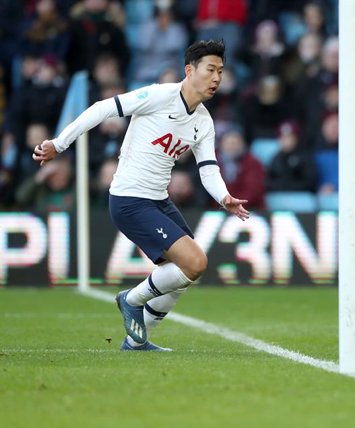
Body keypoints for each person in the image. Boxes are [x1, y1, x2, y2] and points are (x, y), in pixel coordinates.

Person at [31, 40, 250, 351]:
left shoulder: (203, 121)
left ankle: (136, 340)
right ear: (189, 71)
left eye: (221, 71)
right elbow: (103, 107)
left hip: (158, 200)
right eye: (211, 70)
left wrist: (224, 196)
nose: (217, 78)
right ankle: (130, 299)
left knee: (184, 274)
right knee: (196, 262)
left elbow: (208, 168)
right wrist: (60, 143)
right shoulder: (159, 95)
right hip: (129, 199)